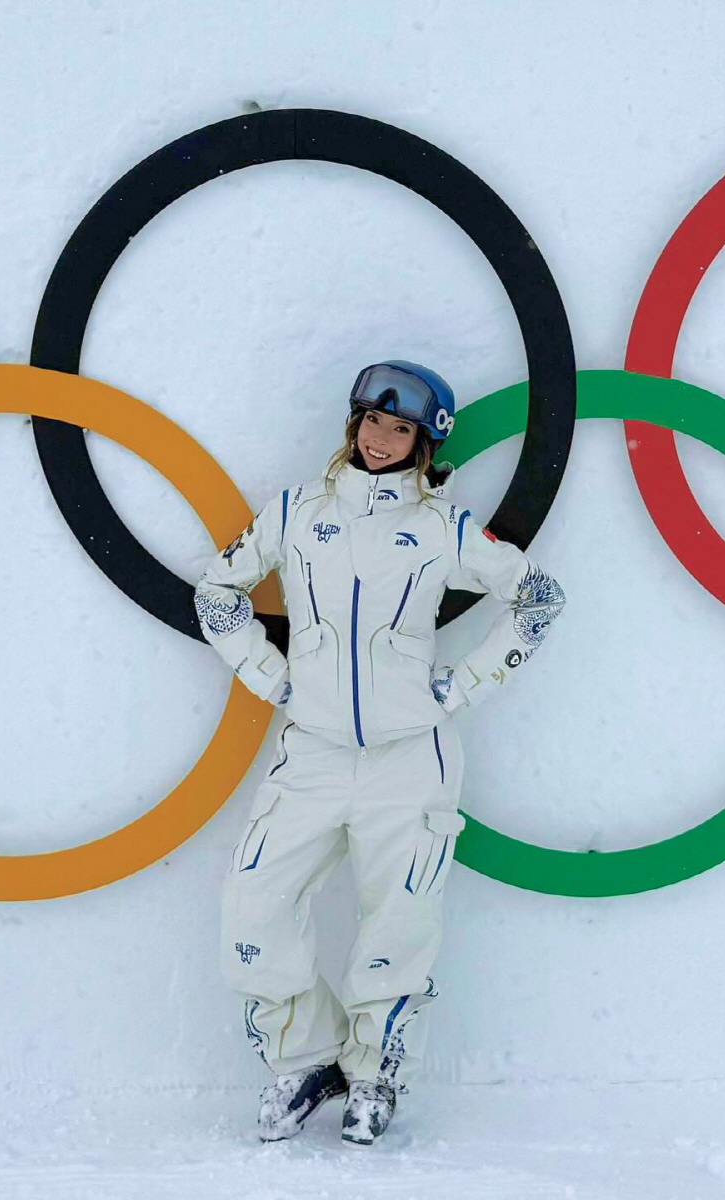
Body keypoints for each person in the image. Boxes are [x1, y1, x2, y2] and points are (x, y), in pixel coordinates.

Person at [193, 361, 565, 1146]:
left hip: (411, 759)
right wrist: (273, 678)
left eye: (400, 427)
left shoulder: (445, 528)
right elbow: (217, 593)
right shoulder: (295, 513)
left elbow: (539, 599)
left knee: (398, 924)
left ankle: (373, 1073)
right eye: (370, 419)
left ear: (424, 442)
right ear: (352, 423)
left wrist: (461, 687)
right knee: (253, 907)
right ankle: (302, 1059)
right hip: (313, 753)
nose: (380, 437)